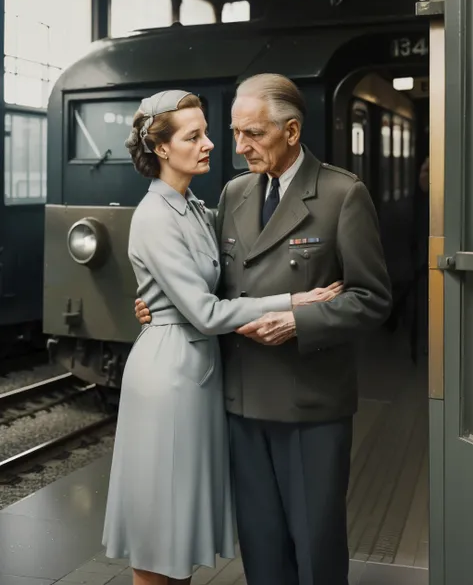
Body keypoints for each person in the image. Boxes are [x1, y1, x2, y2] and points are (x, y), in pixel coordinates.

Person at [135, 74, 392, 585]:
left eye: (252, 134)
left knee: (315, 549)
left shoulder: (342, 194)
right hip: (242, 404)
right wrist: (153, 303)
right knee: (262, 551)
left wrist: (300, 320)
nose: (238, 146)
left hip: (310, 407)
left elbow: (372, 299)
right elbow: (200, 276)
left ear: (291, 132)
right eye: (234, 132)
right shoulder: (234, 194)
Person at [102, 89, 343, 585]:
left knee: (177, 531)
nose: (212, 144)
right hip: (170, 381)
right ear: (162, 149)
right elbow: (207, 311)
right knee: (160, 534)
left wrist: (158, 301)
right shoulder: (154, 215)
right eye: (195, 136)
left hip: (195, 375)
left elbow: (222, 278)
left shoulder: (196, 206)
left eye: (208, 132)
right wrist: (295, 300)